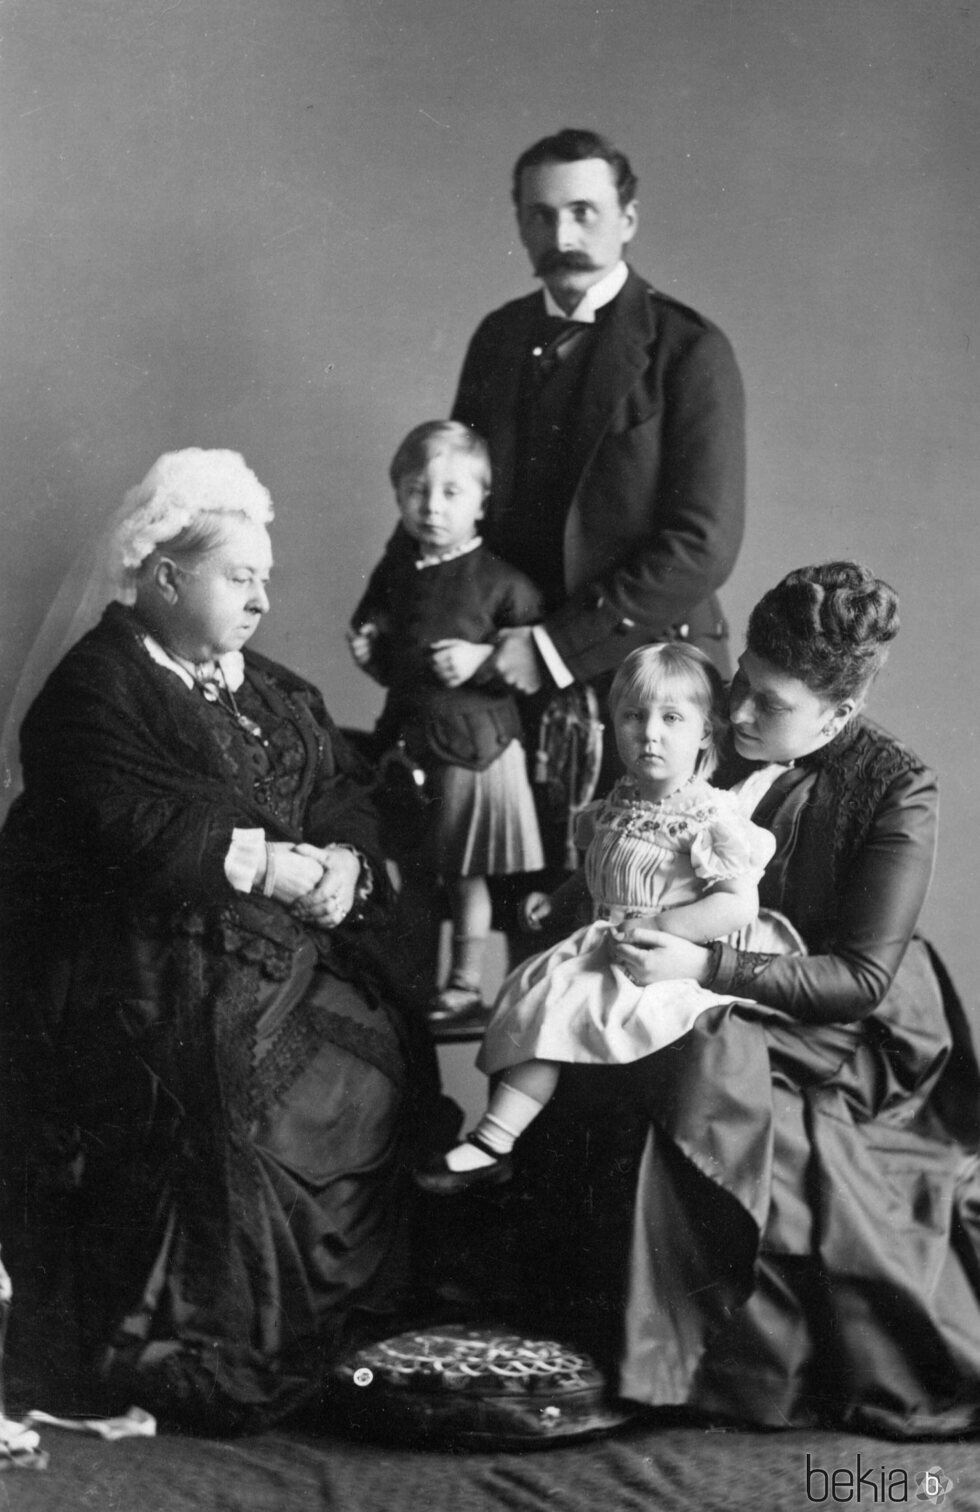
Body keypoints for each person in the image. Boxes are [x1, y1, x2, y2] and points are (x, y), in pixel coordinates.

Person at [0, 449, 438, 1433]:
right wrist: (263, 864)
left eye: (263, 580)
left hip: (289, 952)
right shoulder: (93, 690)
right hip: (134, 963)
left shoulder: (269, 686)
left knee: (377, 1060)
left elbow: (341, 786)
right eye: (238, 579)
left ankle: (342, 1321)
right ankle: (222, 1339)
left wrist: (343, 864)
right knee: (242, 1100)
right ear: (164, 579)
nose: (260, 599)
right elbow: (117, 821)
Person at [511, 561, 980, 1438]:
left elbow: (860, 980)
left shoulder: (897, 787)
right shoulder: (706, 722)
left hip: (839, 1016)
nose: (736, 715)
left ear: (837, 717)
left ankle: (665, 1368)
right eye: (741, 686)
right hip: (691, 966)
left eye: (771, 707)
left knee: (700, 1065)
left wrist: (705, 966)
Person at [450, 127, 746, 875]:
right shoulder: (498, 338)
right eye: (541, 215)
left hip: (645, 674)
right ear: (519, 222)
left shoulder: (687, 348)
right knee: (519, 901)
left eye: (584, 211)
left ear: (628, 219)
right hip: (513, 669)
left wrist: (551, 649)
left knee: (637, 913)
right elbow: (458, 504)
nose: (563, 234)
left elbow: (700, 545)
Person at [416, 643, 778, 1193]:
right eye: (634, 716)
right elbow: (598, 869)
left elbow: (737, 903)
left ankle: (494, 1140)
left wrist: (662, 930)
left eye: (672, 718)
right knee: (533, 992)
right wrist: (558, 899)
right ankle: (508, 1144)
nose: (649, 732)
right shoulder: (624, 800)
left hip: (661, 963)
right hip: (605, 942)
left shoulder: (709, 815)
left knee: (558, 1009)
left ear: (707, 733)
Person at [348, 421, 544, 1021]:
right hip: (412, 740)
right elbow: (393, 654)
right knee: (414, 868)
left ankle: (464, 983)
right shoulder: (397, 571)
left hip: (476, 747)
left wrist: (484, 660)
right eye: (416, 491)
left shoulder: (502, 582)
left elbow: (536, 668)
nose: (432, 507)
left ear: (482, 500)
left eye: (452, 492)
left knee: (466, 874)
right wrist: (370, 651)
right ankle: (408, 983)